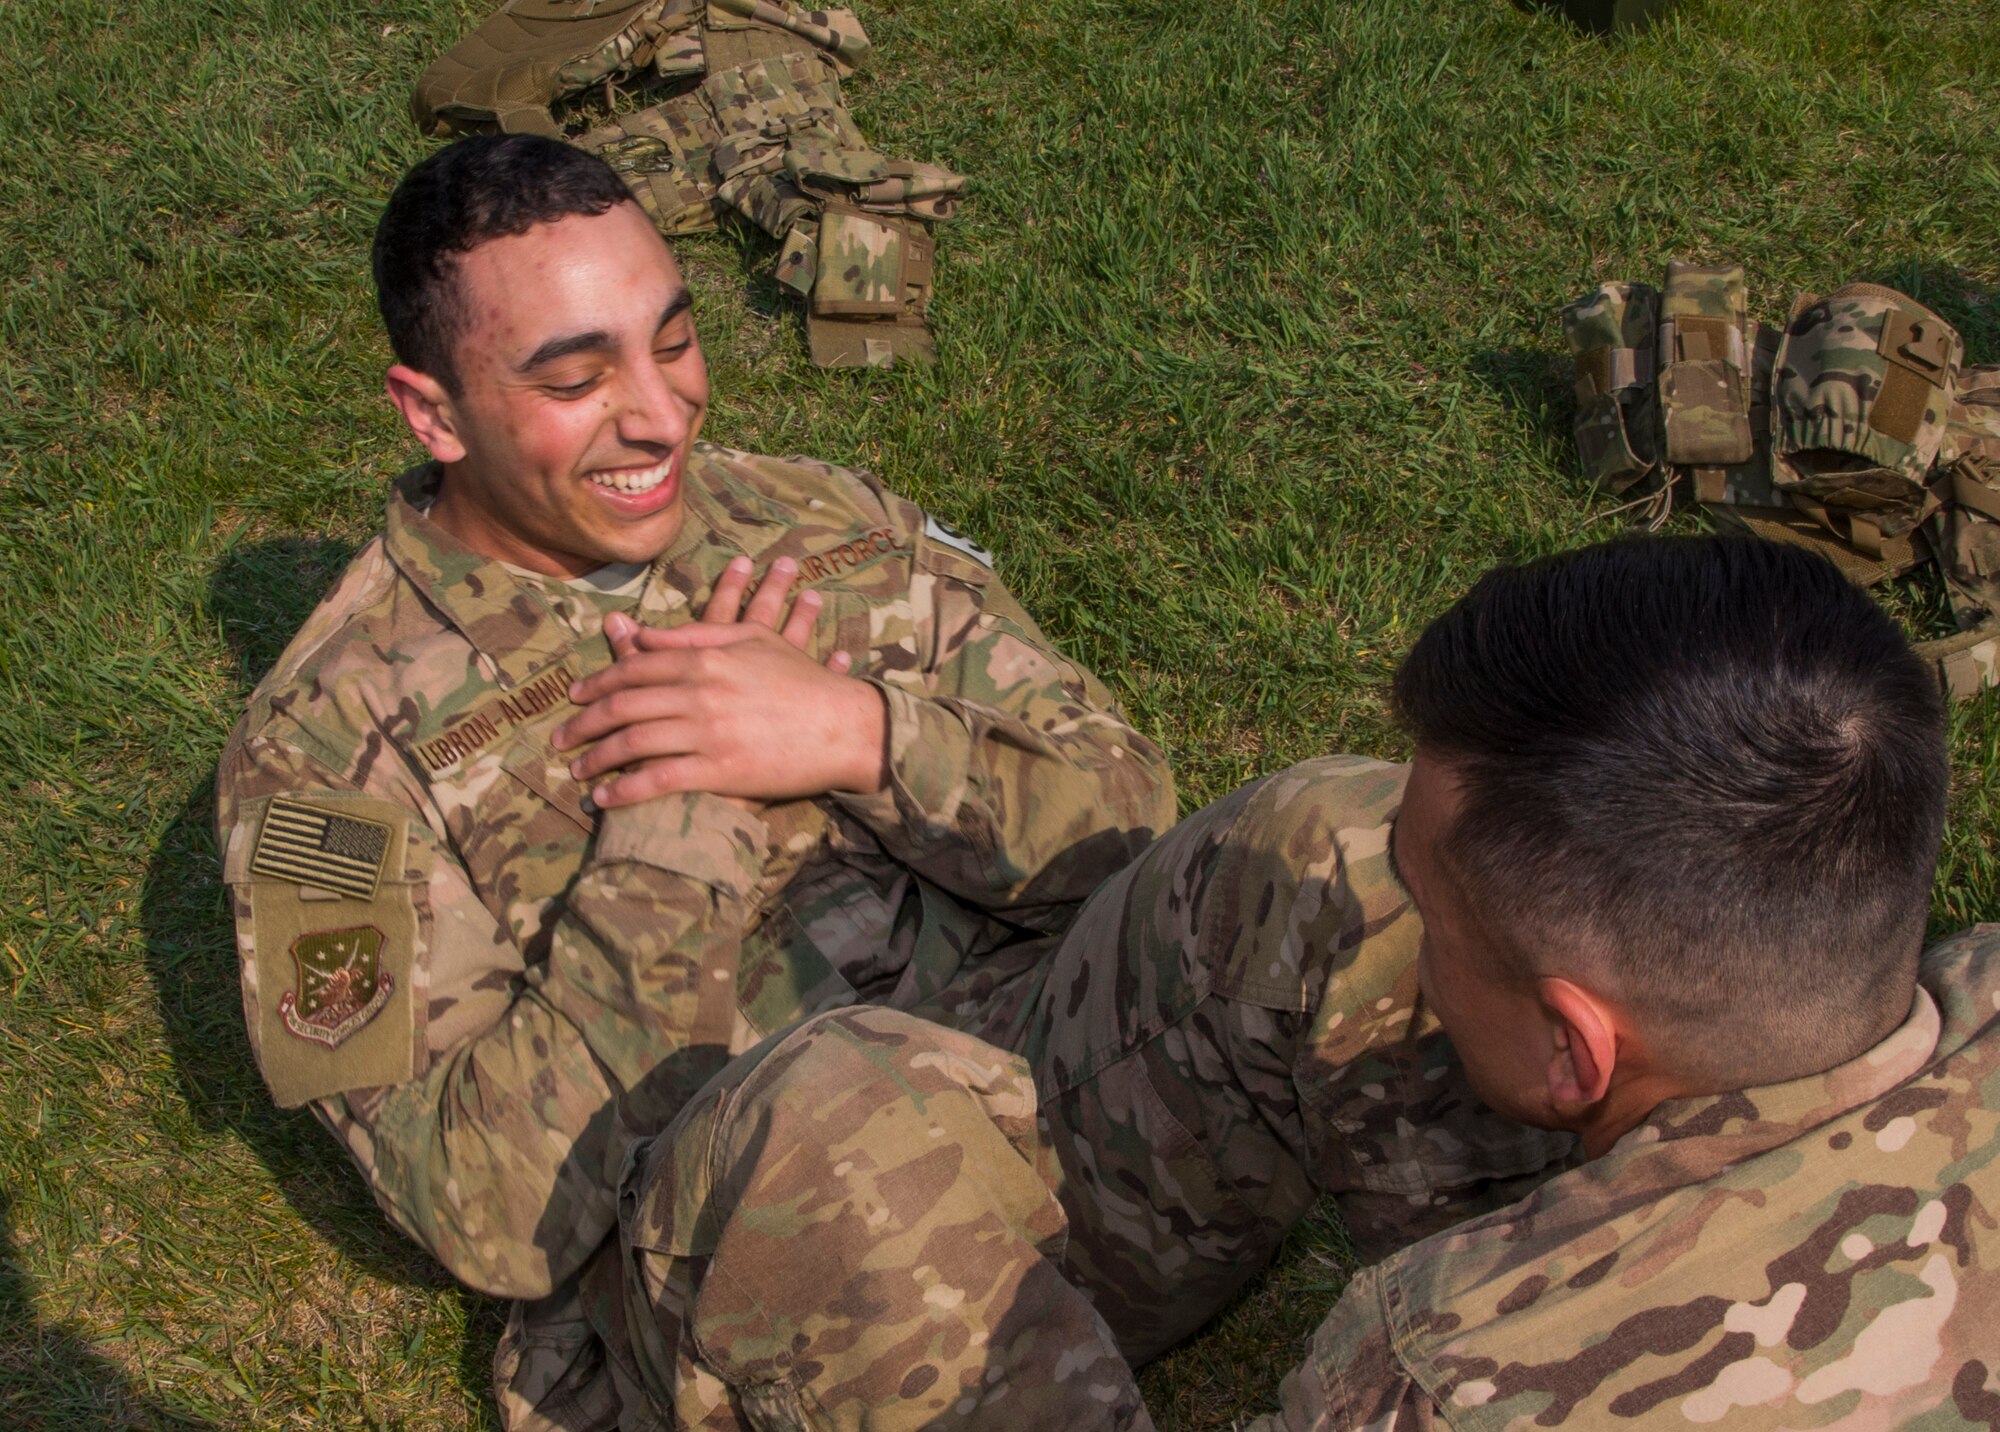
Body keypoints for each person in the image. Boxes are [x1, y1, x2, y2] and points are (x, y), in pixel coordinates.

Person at [218, 133, 1571, 1430]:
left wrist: (862, 734)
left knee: (1341, 838)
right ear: (433, 412)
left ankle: (1533, 1364)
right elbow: (486, 1210)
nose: (662, 410)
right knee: (834, 1106)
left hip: (1059, 1139)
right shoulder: (326, 761)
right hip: (755, 1291)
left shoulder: (817, 521)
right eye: (577, 379)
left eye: (675, 338)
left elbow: (1125, 815)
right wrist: (675, 826)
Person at [607, 536, 2000, 1430]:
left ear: (1579, 1049)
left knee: (831, 1133)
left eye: (1440, 935)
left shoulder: (1436, 1385)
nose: (1407, 939)